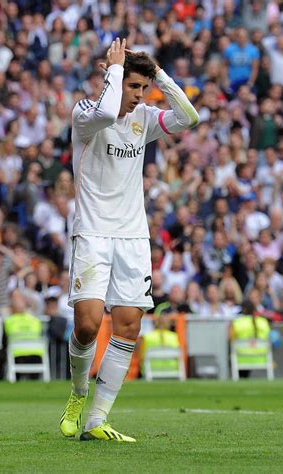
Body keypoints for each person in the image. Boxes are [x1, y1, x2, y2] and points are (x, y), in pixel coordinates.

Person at [60, 38, 199, 442]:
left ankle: (97, 420)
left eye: (144, 88)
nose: (139, 95)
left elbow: (188, 117)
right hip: (93, 232)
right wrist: (115, 70)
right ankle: (78, 394)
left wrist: (159, 75)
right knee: (88, 325)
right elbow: (107, 111)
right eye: (133, 87)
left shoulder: (144, 118)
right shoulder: (86, 114)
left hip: (133, 236)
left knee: (128, 325)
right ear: (115, 79)